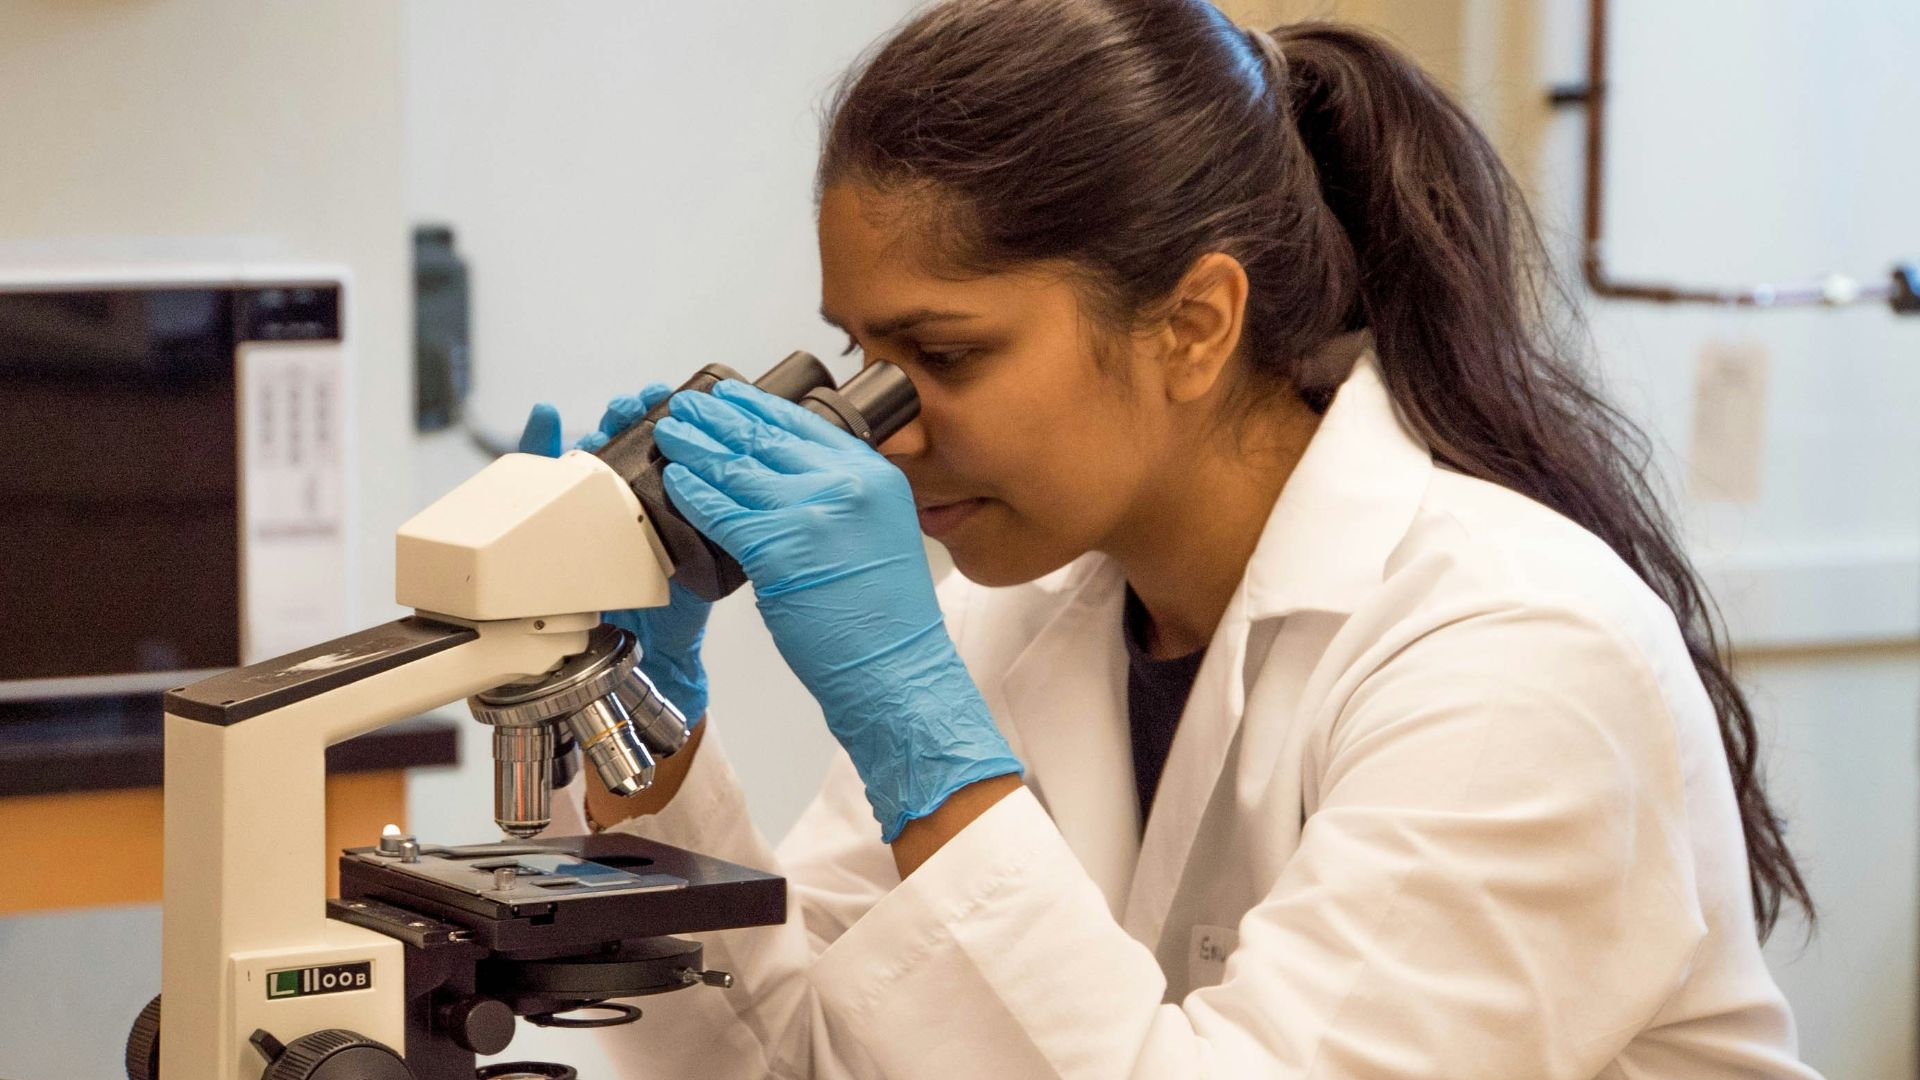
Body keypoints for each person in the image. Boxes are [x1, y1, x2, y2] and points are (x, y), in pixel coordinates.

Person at [518, 1, 1821, 1075]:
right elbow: (799, 1061)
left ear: (1194, 325)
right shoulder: (1013, 623)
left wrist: (917, 733)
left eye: (944, 354)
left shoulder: (1515, 653)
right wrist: (641, 728)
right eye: (862, 356)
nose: (879, 431)